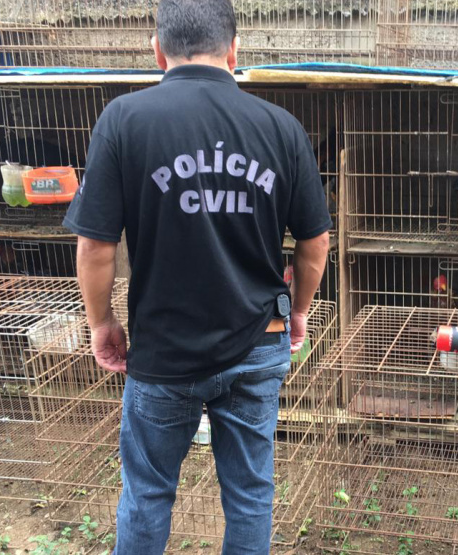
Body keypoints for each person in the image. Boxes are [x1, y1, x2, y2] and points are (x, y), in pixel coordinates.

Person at [63, 0, 332, 552]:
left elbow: (94, 245)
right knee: (251, 493)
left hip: (164, 353)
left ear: (156, 50)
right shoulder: (281, 127)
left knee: (148, 493)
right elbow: (315, 243)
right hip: (258, 342)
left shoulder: (124, 119)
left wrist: (101, 322)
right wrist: (299, 310)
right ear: (235, 51)